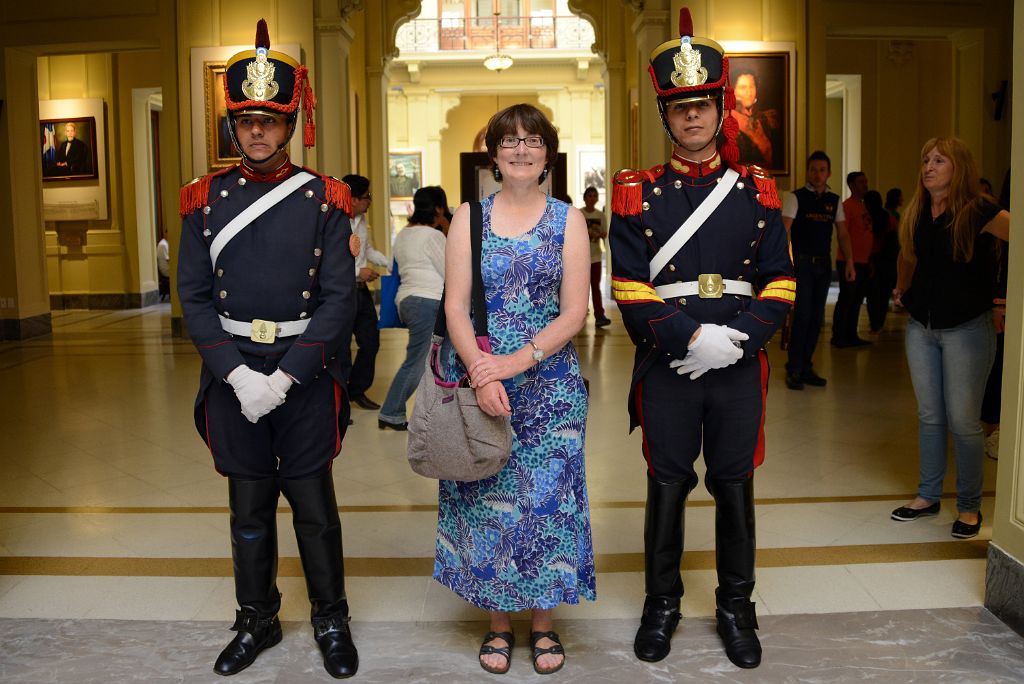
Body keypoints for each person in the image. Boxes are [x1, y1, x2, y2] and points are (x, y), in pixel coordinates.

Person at [609, 8, 794, 669]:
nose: (692, 118)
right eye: (680, 107)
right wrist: (690, 339)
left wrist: (736, 341)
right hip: (670, 366)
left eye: (702, 105)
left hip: (738, 365)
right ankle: (660, 603)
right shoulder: (638, 193)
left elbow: (780, 283)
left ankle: (735, 607)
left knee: (734, 482)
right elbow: (629, 288)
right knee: (666, 482)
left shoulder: (758, 190)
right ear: (666, 115)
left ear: (721, 109)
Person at [176, 20, 359, 679]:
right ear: (234, 124)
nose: (257, 131)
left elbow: (340, 300)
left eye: (270, 120)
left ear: (290, 124)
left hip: (301, 378)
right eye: (247, 120)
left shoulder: (324, 199)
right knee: (248, 510)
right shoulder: (203, 201)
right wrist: (234, 375)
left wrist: (284, 379)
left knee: (314, 509)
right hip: (232, 378)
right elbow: (193, 297)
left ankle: (330, 618)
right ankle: (257, 619)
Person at [433, 103, 594, 676]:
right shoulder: (467, 217)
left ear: (548, 154)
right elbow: (453, 304)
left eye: (532, 140)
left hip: (549, 387)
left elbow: (575, 311)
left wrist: (514, 363)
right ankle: (498, 624)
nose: (521, 149)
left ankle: (544, 625)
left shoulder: (566, 219)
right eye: (509, 141)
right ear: (494, 155)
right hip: (480, 380)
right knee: (486, 503)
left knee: (548, 504)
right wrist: (482, 370)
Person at [889, 137, 1010, 541]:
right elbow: (908, 255)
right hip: (921, 328)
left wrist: (1005, 298)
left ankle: (970, 507)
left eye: (938, 160)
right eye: (925, 159)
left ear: (958, 167)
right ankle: (927, 496)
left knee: (963, 420)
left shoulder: (979, 209)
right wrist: (902, 290)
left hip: (966, 329)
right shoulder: (919, 209)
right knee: (929, 416)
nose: (928, 167)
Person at [782, 151, 856, 390]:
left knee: (816, 318)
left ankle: (806, 366)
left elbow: (843, 234)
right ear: (808, 171)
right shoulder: (796, 198)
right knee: (802, 317)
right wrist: (783, 263)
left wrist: (851, 262)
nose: (817, 174)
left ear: (829, 173)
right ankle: (794, 368)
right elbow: (785, 231)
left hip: (824, 265)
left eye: (822, 170)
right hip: (802, 265)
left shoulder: (834, 201)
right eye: (813, 169)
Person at [377, 187, 446, 431]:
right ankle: (391, 411)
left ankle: (440, 413)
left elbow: (391, 266)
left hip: (407, 301)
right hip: (428, 301)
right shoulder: (433, 236)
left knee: (441, 359)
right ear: (438, 208)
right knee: (417, 361)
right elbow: (450, 270)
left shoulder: (403, 235)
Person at [341, 174, 389, 411]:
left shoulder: (361, 222)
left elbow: (366, 249)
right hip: (339, 294)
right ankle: (339, 401)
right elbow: (331, 261)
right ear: (353, 198)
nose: (370, 201)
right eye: (367, 197)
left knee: (370, 341)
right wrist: (359, 272)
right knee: (340, 348)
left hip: (361, 292)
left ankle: (356, 390)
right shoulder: (333, 221)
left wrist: (389, 263)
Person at [831, 171, 873, 347]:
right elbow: (843, 234)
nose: (865, 185)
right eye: (861, 182)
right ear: (852, 185)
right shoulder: (847, 206)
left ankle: (851, 334)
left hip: (863, 261)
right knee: (847, 299)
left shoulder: (862, 206)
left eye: (866, 181)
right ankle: (839, 336)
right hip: (850, 261)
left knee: (856, 300)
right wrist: (850, 260)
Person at [729, 70, 782, 169]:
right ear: (733, 90)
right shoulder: (726, 121)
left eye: (752, 86)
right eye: (743, 87)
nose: (749, 93)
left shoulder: (764, 120)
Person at [865, 189, 899, 332]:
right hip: (888, 259)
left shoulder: (866, 218)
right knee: (884, 294)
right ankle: (879, 321)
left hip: (871, 258)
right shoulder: (889, 218)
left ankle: (874, 322)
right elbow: (895, 240)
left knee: (873, 294)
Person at [581, 186, 611, 327]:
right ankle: (579, 315)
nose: (592, 198)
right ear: (585, 198)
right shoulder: (578, 214)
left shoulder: (600, 215)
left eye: (594, 196)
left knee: (595, 286)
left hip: (596, 256)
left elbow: (605, 233)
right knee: (581, 287)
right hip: (580, 257)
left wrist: (598, 234)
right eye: (589, 195)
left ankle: (599, 316)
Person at [156, 229, 170, 301]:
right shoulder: (163, 244)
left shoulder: (166, 243)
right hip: (165, 269)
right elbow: (168, 260)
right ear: (165, 233)